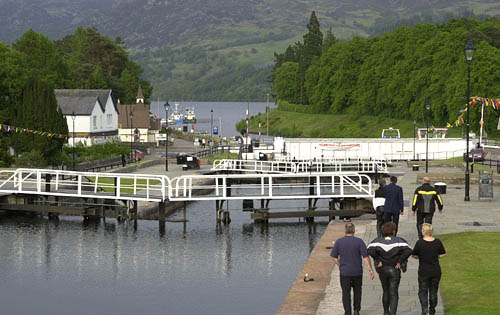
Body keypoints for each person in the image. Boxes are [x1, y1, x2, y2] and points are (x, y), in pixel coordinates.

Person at [367, 222, 412, 315]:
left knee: (385, 290)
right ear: (394, 231)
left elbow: (369, 250)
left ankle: (386, 312)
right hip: (394, 269)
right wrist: (399, 260)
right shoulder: (399, 240)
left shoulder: (377, 241)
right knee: (394, 292)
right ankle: (393, 313)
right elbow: (409, 251)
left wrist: (378, 259)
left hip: (382, 269)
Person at [331, 223, 374, 315]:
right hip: (357, 272)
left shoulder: (339, 242)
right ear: (354, 231)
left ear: (345, 231)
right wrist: (370, 269)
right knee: (357, 291)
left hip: (345, 272)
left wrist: (340, 265)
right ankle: (356, 310)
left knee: (346, 293)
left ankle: (347, 312)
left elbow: (334, 257)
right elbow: (365, 257)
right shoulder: (359, 242)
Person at [412, 224, 446, 315]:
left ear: (424, 231)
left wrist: (421, 257)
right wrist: (436, 256)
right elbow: (443, 254)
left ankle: (424, 308)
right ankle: (432, 309)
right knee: (433, 291)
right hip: (435, 271)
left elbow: (414, 255)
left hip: (424, 271)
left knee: (423, 291)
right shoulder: (437, 242)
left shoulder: (420, 243)